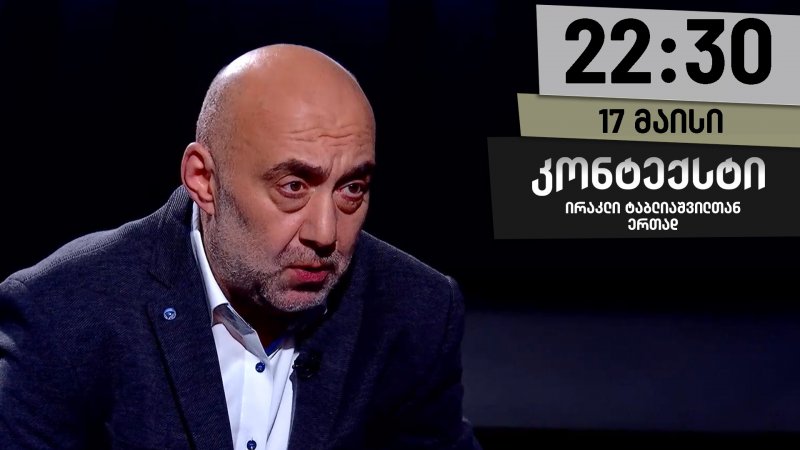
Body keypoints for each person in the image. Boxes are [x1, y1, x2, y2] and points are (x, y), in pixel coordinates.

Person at [0, 44, 481, 450]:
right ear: (204, 180)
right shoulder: (61, 313)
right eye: (293, 186)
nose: (325, 232)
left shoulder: (415, 312)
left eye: (351, 188)